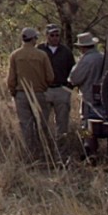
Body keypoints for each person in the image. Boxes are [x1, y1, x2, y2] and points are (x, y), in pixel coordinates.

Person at [7, 27, 54, 162]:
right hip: (39, 94)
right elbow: (50, 77)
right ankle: (45, 154)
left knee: (26, 126)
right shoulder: (42, 55)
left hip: (21, 95)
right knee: (42, 125)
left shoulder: (15, 55)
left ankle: (29, 155)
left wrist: (13, 91)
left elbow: (11, 79)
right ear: (33, 39)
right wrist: (43, 86)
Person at [67, 32, 107, 156]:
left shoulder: (86, 60)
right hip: (106, 99)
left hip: (89, 98)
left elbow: (74, 78)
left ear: (82, 47)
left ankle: (90, 150)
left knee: (86, 125)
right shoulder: (103, 57)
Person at [39, 24, 74, 155]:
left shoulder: (66, 51)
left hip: (61, 90)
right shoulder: (40, 50)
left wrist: (68, 88)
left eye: (57, 35)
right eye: (52, 35)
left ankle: (61, 153)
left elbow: (73, 71)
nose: (55, 38)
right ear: (46, 36)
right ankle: (44, 150)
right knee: (42, 122)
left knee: (62, 124)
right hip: (45, 90)